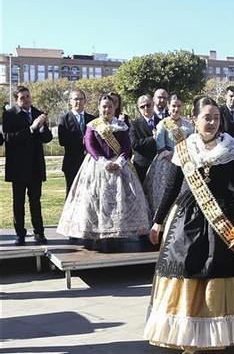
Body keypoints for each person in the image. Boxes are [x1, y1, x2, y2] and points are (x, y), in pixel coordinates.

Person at [144, 97, 234, 352]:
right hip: (186, 218)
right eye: (206, 118)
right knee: (186, 265)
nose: (212, 123)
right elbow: (171, 186)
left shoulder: (231, 147)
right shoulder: (185, 148)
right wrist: (157, 221)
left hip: (224, 215)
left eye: (216, 118)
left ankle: (219, 332)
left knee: (221, 267)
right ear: (195, 120)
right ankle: (189, 332)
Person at [57, 95, 151, 251]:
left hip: (119, 168)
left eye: (110, 107)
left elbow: (127, 147)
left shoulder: (121, 125)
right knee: (95, 202)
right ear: (99, 108)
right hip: (97, 167)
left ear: (114, 108)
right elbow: (90, 145)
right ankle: (95, 237)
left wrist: (120, 161)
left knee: (118, 202)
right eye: (104, 107)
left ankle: (116, 235)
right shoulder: (93, 125)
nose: (107, 110)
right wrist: (104, 162)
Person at [3, 86, 52, 245]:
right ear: (16, 100)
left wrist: (42, 126)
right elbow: (9, 138)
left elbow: (47, 138)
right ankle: (20, 234)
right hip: (18, 167)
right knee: (18, 202)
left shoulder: (39, 113)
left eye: (28, 96)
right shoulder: (10, 114)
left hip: (35, 166)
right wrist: (31, 128)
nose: (26, 99)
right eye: (22, 97)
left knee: (35, 201)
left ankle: (39, 233)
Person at [143, 95, 194, 215]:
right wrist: (172, 158)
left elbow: (192, 143)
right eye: (173, 106)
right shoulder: (163, 124)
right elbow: (160, 146)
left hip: (185, 162)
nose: (176, 109)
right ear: (168, 107)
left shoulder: (188, 125)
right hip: (166, 162)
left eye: (179, 106)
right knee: (164, 193)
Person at [57, 89, 96, 195]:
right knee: (72, 193)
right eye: (75, 99)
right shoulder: (64, 118)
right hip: (71, 163)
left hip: (89, 163)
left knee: (89, 194)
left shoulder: (92, 119)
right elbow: (62, 140)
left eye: (81, 99)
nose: (78, 102)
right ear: (70, 101)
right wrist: (83, 140)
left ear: (85, 101)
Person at [130, 95, 159, 183]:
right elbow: (134, 144)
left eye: (148, 105)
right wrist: (152, 139)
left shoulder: (162, 121)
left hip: (159, 164)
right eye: (142, 106)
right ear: (139, 109)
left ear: (153, 104)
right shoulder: (134, 124)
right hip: (142, 166)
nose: (145, 108)